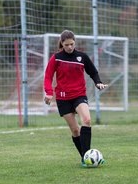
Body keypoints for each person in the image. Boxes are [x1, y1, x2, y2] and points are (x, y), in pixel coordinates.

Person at [43, 30, 107, 167]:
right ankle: (86, 158)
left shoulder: (82, 57)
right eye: (67, 45)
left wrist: (98, 82)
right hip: (63, 98)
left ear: (75, 42)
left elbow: (93, 72)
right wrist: (49, 93)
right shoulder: (56, 58)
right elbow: (48, 77)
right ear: (62, 43)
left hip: (79, 95)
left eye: (72, 44)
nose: (70, 47)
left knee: (87, 120)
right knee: (75, 130)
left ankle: (87, 159)